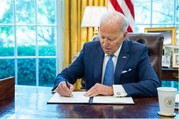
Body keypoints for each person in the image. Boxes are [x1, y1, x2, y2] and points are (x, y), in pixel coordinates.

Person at [52, 11, 160, 97]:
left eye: (111, 39)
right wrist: (61, 84)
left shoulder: (137, 51)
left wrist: (113, 90)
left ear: (124, 35)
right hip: (92, 111)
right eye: (102, 37)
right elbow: (64, 76)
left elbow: (153, 85)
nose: (105, 44)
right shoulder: (89, 49)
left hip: (126, 111)